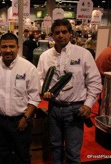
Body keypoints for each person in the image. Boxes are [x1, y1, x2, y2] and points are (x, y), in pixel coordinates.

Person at [37, 19, 102, 164]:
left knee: (72, 152)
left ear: (70, 33)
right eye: (57, 32)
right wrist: (44, 89)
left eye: (64, 32)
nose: (61, 35)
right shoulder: (45, 56)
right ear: (52, 35)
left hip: (75, 110)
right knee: (55, 148)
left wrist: (88, 104)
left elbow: (95, 81)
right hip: (53, 108)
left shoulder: (83, 54)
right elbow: (39, 78)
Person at [0, 33, 41, 164]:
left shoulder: (29, 68)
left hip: (21, 121)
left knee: (22, 155)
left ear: (18, 47)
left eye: (11, 46)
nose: (8, 50)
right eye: (4, 46)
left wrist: (26, 118)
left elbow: (34, 98)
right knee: (3, 155)